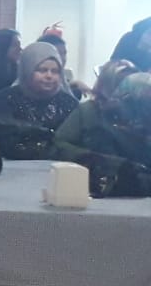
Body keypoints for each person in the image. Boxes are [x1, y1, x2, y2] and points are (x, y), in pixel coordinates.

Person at [53, 63, 150, 196]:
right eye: (119, 84)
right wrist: (93, 159)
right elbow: (58, 145)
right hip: (95, 182)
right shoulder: (88, 112)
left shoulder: (144, 115)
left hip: (139, 188)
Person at [0, 41, 77, 160]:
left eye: (55, 71)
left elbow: (72, 144)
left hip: (59, 167)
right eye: (42, 70)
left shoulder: (69, 103)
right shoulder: (6, 98)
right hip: (12, 165)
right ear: (27, 70)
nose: (49, 76)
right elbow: (5, 140)